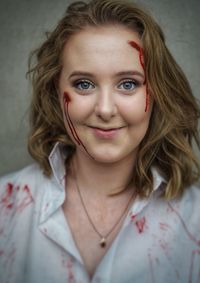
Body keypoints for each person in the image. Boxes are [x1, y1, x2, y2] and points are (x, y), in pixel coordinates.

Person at [0, 0, 200, 282]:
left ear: (156, 94)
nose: (105, 110)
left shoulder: (195, 221)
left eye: (128, 83)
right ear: (56, 92)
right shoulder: (4, 208)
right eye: (84, 84)